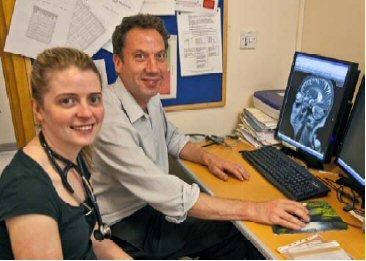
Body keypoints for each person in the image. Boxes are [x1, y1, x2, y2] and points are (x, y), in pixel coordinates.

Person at [92, 14, 310, 259]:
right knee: (239, 230)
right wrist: (255, 209)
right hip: (128, 227)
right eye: (140, 56)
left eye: (160, 56)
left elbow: (172, 137)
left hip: (153, 207)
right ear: (118, 63)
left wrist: (208, 158)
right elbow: (168, 193)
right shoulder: (108, 118)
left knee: (236, 226)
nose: (153, 68)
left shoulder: (147, 96)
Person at [0, 47, 131, 259]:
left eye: (94, 99)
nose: (86, 112)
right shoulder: (27, 191)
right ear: (39, 109)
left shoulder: (74, 157)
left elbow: (96, 240)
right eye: (68, 101)